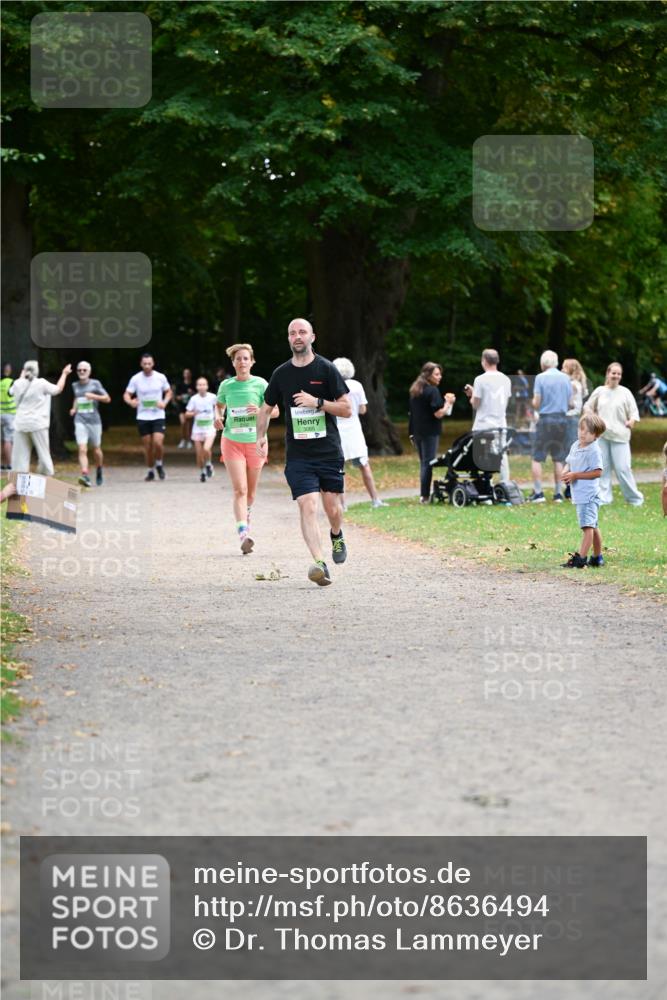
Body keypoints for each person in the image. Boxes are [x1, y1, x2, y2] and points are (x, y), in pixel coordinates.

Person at [255, 318, 352, 586]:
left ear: (312, 337)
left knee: (332, 508)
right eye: (292, 333)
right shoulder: (281, 374)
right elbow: (265, 409)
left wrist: (317, 402)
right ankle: (320, 563)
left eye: (302, 332)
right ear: (288, 339)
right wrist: (260, 436)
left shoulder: (326, 369)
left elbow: (347, 409)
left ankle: (336, 534)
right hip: (299, 456)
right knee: (307, 505)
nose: (297, 336)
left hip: (329, 452)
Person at [215, 343, 278, 554]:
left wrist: (260, 410)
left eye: (245, 358)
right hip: (232, 441)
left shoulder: (261, 384)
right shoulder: (226, 385)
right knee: (239, 489)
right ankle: (243, 534)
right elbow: (220, 406)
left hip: (256, 442)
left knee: (250, 492)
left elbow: (276, 411)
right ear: (233, 363)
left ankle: (246, 515)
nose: (242, 362)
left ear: (252, 362)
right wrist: (217, 416)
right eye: (238, 359)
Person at [332, 357, 387, 511]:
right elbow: (363, 409)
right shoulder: (357, 385)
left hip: (338, 430)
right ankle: (375, 499)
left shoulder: (333, 386)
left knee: (339, 469)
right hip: (354, 429)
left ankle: (343, 505)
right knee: (364, 465)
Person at [584, 362, 644, 506]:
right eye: (613, 373)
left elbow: (634, 413)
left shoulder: (625, 392)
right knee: (602, 469)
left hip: (620, 437)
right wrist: (592, 417)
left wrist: (631, 421)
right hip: (602, 436)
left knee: (623, 469)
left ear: (620, 376)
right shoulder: (600, 391)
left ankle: (635, 499)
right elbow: (587, 406)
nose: (616, 376)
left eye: (618, 374)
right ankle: (605, 498)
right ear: (608, 374)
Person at [560, 412, 606, 569]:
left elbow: (598, 472)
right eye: (581, 429)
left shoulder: (594, 450)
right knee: (593, 525)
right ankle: (597, 557)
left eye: (588, 431)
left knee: (587, 527)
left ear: (596, 435)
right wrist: (566, 471)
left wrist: (575, 475)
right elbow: (569, 462)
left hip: (588, 496)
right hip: (579, 494)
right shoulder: (575, 445)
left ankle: (581, 559)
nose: (583, 433)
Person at [9, 360, 71, 476]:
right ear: (37, 371)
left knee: (20, 458)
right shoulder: (41, 383)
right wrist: (64, 374)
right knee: (43, 454)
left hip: (20, 424)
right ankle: (45, 476)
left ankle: (19, 482)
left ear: (24, 370)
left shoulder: (17, 383)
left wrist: (21, 377)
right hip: (38, 424)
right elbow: (58, 389)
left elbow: (10, 392)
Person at [528, 350, 573, 503]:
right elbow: (571, 402)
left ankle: (538, 493)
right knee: (559, 458)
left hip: (546, 420)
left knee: (537, 457)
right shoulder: (566, 378)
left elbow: (537, 402)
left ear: (543, 363)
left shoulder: (540, 378)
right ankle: (558, 494)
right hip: (562, 420)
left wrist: (533, 404)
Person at [408, 362, 455, 503]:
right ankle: (425, 496)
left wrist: (411, 433)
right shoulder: (432, 391)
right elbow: (438, 413)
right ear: (428, 375)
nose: (440, 377)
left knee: (424, 463)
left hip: (418, 432)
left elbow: (411, 414)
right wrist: (448, 402)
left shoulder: (416, 390)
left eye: (440, 374)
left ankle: (424, 494)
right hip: (430, 432)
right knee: (427, 463)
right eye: (436, 374)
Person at [463, 348, 512, 481]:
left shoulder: (480, 380)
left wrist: (472, 395)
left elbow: (476, 404)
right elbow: (504, 401)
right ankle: (505, 485)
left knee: (483, 456)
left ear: (484, 361)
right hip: (501, 423)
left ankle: (487, 485)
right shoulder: (506, 379)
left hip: (484, 424)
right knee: (502, 455)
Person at [123, 353, 173, 481]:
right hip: (142, 416)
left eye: (149, 364)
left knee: (158, 443)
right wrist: (131, 402)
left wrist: (164, 403)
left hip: (158, 415)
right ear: (141, 364)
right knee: (148, 447)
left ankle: (159, 465)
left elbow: (169, 392)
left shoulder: (160, 377)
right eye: (144, 364)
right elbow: (127, 394)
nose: (147, 366)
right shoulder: (136, 379)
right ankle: (151, 470)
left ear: (153, 363)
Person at [69, 361, 111, 487]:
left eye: (84, 370)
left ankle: (99, 469)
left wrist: (93, 396)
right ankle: (85, 475)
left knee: (96, 449)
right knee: (82, 448)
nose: (81, 372)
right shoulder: (74, 385)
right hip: (80, 420)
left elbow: (108, 398)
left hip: (94, 421)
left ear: (89, 372)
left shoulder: (95, 384)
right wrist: (74, 408)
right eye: (79, 370)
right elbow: (77, 398)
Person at [185, 377, 218, 483]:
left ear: (207, 386)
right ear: (196, 387)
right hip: (197, 430)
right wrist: (193, 413)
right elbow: (187, 414)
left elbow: (219, 408)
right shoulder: (194, 399)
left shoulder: (213, 397)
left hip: (210, 428)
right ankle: (203, 472)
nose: (202, 387)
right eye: (199, 385)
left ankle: (208, 464)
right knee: (199, 454)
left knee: (206, 449)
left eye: (204, 384)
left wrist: (218, 417)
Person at [174, 368, 195, 449]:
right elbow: (176, 396)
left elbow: (197, 395)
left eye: (188, 373)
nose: (187, 375)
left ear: (190, 375)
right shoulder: (180, 384)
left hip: (190, 407)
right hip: (181, 407)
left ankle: (189, 441)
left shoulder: (193, 385)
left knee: (189, 424)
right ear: (183, 375)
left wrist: (192, 393)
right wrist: (181, 397)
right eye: (185, 373)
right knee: (183, 423)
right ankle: (183, 440)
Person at [1, 362, 16, 471]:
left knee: (1, 440)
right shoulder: (11, 383)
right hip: (9, 415)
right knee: (8, 440)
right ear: (9, 370)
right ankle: (9, 465)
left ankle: (1, 465)